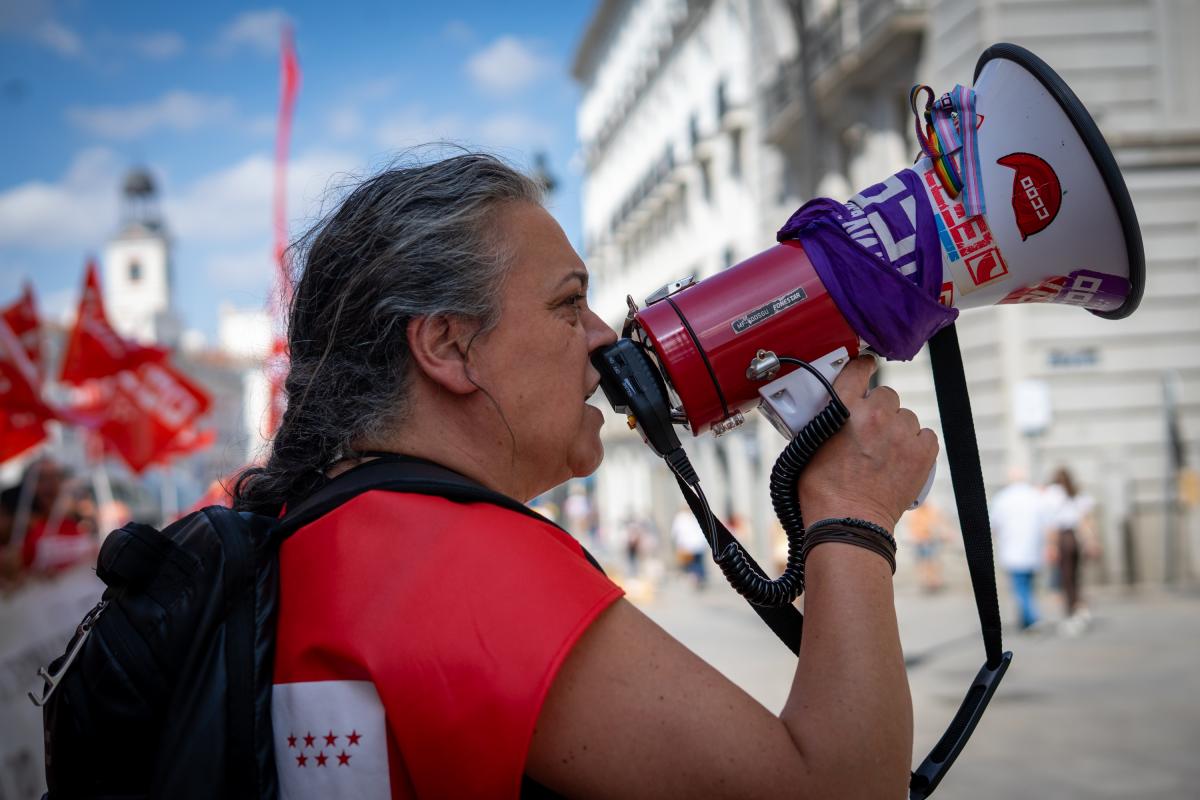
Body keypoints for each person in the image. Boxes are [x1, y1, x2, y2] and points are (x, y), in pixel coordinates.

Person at [233, 153, 937, 798]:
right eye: (569, 303)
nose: (604, 336)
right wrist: (852, 509)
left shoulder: (329, 531)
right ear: (449, 346)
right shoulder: (455, 557)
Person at [990, 467, 1047, 631]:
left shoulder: (1003, 498)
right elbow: (1046, 521)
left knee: (1020, 586)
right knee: (1028, 584)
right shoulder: (1035, 496)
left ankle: (1032, 617)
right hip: (1033, 547)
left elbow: (994, 524)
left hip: (1012, 547)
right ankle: (1026, 619)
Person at [1043, 466, 1098, 635]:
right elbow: (1085, 520)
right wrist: (1090, 541)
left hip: (1062, 538)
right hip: (1074, 538)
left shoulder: (1053, 494)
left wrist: (1051, 545)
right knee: (1074, 576)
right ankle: (1079, 608)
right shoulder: (1075, 495)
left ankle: (1073, 613)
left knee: (1065, 578)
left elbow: (1051, 523)